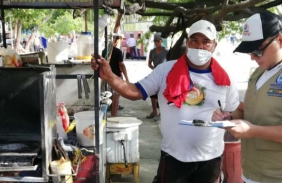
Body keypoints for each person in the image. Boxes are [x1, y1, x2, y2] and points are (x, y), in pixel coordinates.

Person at [91, 20, 239, 183]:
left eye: (206, 42)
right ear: (188, 43)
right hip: (174, 157)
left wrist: (228, 118)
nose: (200, 46)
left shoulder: (226, 80)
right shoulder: (165, 70)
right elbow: (136, 91)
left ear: (214, 45)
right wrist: (110, 77)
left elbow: (234, 111)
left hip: (210, 159)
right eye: (194, 40)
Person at [212, 11, 282, 183]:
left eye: (258, 50)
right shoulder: (258, 73)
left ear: (280, 40)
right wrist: (230, 117)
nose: (252, 57)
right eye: (249, 51)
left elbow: (252, 127)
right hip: (250, 173)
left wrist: (252, 131)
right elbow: (250, 112)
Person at [102, 36, 129, 117]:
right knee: (116, 97)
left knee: (110, 97)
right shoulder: (117, 51)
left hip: (107, 77)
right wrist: (127, 78)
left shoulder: (104, 51)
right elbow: (122, 65)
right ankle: (114, 116)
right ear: (116, 41)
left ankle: (112, 116)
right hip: (116, 77)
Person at [146, 34, 168, 120]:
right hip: (155, 74)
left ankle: (162, 113)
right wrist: (154, 69)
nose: (157, 43)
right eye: (155, 41)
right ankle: (154, 111)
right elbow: (149, 63)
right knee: (152, 93)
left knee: (162, 94)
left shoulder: (166, 51)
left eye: (158, 41)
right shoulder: (152, 51)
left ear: (161, 41)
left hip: (164, 75)